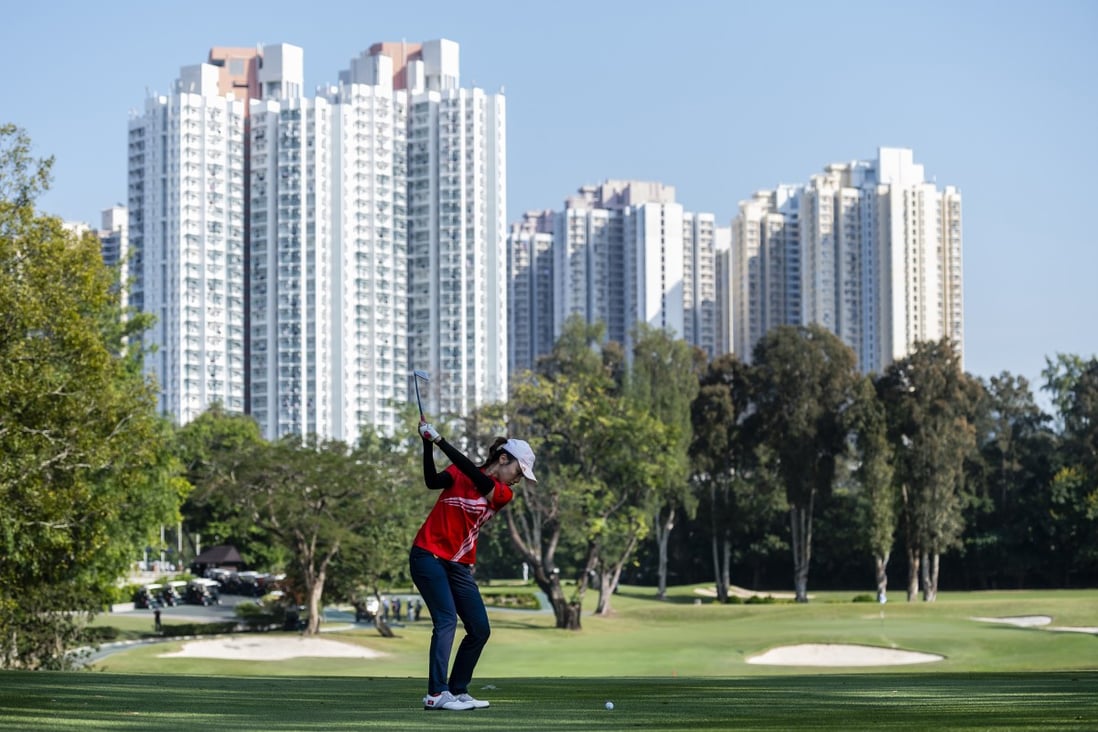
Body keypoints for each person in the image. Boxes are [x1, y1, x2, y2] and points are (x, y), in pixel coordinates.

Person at [409, 419, 537, 712]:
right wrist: (428, 444)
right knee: (445, 620)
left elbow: (474, 475)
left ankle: (457, 690)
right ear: (503, 458)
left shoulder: (503, 493)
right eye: (519, 471)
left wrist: (440, 439)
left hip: (458, 565)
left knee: (479, 628)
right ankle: (436, 694)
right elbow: (432, 481)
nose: (518, 479)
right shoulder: (459, 473)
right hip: (427, 556)